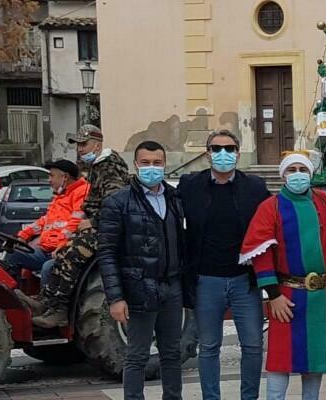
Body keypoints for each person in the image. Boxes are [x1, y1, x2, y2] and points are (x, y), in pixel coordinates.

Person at [239, 151, 326, 400]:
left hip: (322, 295)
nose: (297, 175)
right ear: (283, 175)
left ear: (310, 173)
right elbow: (261, 252)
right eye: (291, 170)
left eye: (302, 169)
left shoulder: (324, 202)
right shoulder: (271, 207)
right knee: (281, 358)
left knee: (315, 359)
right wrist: (273, 295)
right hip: (287, 296)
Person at [177, 130, 269, 400]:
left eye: (229, 148)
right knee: (208, 347)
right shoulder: (190, 185)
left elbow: (270, 226)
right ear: (207, 154)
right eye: (216, 149)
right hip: (206, 280)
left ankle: (248, 397)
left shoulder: (254, 187)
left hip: (245, 280)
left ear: (238, 153)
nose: (223, 154)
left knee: (253, 346)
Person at [98, 141, 185, 400]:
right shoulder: (118, 202)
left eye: (157, 163)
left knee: (172, 353)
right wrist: (116, 297)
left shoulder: (174, 198)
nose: (151, 168)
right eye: (145, 163)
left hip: (172, 286)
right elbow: (107, 252)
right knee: (137, 355)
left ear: (164, 164)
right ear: (135, 165)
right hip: (139, 289)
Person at [32, 124, 129, 328]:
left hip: (107, 228)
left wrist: (93, 221)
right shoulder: (97, 167)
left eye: (84, 144)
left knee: (72, 256)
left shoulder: (109, 167)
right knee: (61, 254)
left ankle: (60, 309)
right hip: (96, 225)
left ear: (97, 144)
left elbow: (116, 204)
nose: (80, 149)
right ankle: (47, 301)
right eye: (78, 145)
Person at [6, 159, 89, 287]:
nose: (49, 180)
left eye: (52, 176)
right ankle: (11, 295)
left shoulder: (81, 192)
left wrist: (61, 247)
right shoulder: (60, 195)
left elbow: (75, 223)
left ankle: (46, 304)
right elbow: (46, 220)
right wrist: (23, 235)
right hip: (47, 249)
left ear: (65, 177)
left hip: (65, 252)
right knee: (14, 255)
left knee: (48, 268)